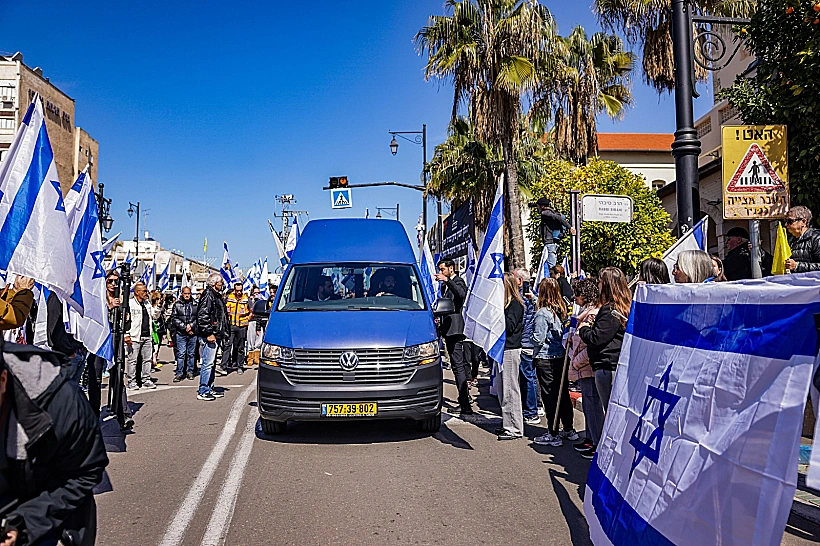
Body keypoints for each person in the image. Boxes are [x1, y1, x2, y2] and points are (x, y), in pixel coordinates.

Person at [0, 340, 109, 546]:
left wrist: (22, 525)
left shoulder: (62, 403)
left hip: (46, 502)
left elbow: (85, 473)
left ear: (3, 380)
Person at [578, 267, 631, 429]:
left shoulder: (611, 310)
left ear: (607, 284)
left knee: (612, 413)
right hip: (612, 364)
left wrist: (584, 328)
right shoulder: (620, 306)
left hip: (608, 366)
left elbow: (597, 338)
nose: (598, 285)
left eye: (600, 282)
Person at [86, 269, 134, 431]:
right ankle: (94, 415)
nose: (114, 284)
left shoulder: (122, 298)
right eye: (110, 281)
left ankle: (124, 415)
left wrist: (125, 317)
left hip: (115, 340)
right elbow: (90, 317)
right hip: (99, 340)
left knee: (118, 375)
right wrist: (108, 307)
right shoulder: (96, 296)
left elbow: (127, 325)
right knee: (96, 378)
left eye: (116, 281)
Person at [532, 278, 577, 447]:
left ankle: (552, 432)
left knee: (549, 395)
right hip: (560, 357)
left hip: (546, 357)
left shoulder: (543, 313)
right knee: (562, 393)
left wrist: (527, 337)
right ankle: (568, 428)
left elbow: (538, 338)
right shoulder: (562, 310)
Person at [568, 278, 603, 458]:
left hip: (587, 366)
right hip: (582, 365)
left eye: (578, 294)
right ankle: (590, 438)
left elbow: (589, 344)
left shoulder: (593, 314)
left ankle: (596, 443)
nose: (574, 298)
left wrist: (577, 361)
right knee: (589, 405)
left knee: (592, 404)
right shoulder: (585, 312)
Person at [435, 258, 472, 415]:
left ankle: (465, 404)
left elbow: (460, 294)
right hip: (447, 328)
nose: (441, 273)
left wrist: (447, 280)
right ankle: (464, 400)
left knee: (458, 366)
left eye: (443, 269)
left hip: (455, 330)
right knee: (457, 365)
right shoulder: (446, 285)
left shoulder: (458, 281)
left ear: (451, 268)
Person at [496, 273, 525, 440]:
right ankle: (507, 424)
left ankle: (514, 428)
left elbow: (510, 326)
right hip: (503, 350)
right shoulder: (508, 304)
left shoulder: (514, 305)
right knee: (503, 389)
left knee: (510, 389)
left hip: (511, 350)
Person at [195, 273, 229, 401]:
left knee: (213, 363)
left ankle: (210, 387)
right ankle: (203, 390)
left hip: (216, 334)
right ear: (215, 283)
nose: (222, 284)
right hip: (209, 335)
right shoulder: (208, 295)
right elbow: (203, 315)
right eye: (220, 282)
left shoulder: (216, 296)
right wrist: (209, 333)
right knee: (208, 363)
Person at [513, 268, 539, 426]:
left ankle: (531, 411)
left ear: (520, 281)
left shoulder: (523, 297)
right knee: (530, 377)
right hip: (530, 342)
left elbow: (521, 320)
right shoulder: (533, 295)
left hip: (525, 342)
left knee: (527, 377)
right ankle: (533, 408)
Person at [126, 282, 160, 390]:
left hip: (147, 336)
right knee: (133, 360)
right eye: (144, 291)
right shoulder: (130, 303)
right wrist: (126, 334)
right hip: (134, 336)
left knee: (147, 359)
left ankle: (146, 379)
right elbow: (125, 320)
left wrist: (157, 306)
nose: (146, 293)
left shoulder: (147, 303)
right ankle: (132, 381)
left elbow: (154, 316)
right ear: (137, 292)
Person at [536, 197, 576, 270]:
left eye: (538, 206)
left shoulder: (545, 213)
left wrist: (570, 227)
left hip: (549, 242)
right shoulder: (551, 211)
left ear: (542, 206)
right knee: (551, 263)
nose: (537, 208)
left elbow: (558, 218)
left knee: (551, 266)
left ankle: (552, 280)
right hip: (554, 242)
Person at [220, 283, 250, 375]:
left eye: (241, 290)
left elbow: (252, 311)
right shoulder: (229, 298)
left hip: (242, 326)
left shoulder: (246, 299)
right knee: (227, 345)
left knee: (240, 347)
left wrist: (248, 319)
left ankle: (239, 366)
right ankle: (223, 367)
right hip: (231, 325)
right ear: (234, 290)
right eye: (237, 290)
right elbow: (223, 309)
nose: (239, 292)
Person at [171, 287, 198, 382]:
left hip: (193, 333)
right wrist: (184, 327)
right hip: (181, 333)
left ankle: (190, 372)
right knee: (181, 354)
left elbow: (198, 318)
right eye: (185, 293)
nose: (187, 295)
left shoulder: (195, 304)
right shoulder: (177, 304)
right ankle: (179, 373)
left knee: (191, 354)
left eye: (189, 293)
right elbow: (174, 318)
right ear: (182, 293)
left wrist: (191, 326)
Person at [785, 205, 820, 273]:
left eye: (790, 221)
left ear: (803, 222)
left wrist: (797, 266)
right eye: (785, 221)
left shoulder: (816, 239)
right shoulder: (790, 240)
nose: (786, 224)